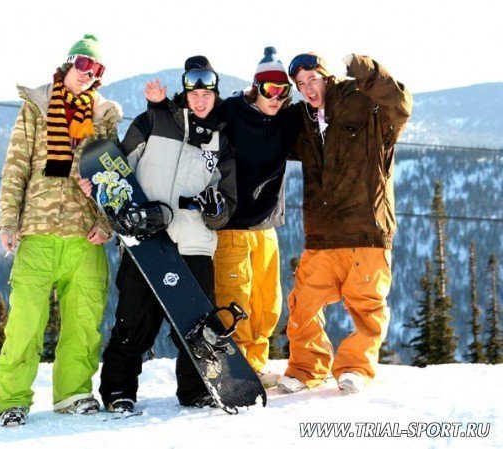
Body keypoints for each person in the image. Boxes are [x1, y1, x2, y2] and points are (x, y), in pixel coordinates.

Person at [81, 55, 237, 413]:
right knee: (134, 322)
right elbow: (118, 168)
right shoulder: (154, 120)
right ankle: (119, 391)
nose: (200, 100)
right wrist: (99, 188)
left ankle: (196, 390)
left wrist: (216, 211)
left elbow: (226, 205)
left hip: (195, 243)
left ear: (215, 95)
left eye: (207, 94)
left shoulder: (221, 140)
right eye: (194, 93)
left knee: (196, 326)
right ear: (185, 92)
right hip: (146, 241)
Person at [146, 47, 302, 388]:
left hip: (267, 226)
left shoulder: (288, 119)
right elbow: (193, 116)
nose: (275, 97)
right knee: (237, 301)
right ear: (256, 86)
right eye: (269, 89)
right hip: (233, 225)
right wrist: (159, 106)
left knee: (267, 304)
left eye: (282, 90)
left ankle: (255, 365)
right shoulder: (231, 111)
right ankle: (236, 367)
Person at [0, 34, 122, 426]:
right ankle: (11, 400)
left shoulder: (104, 116)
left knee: (84, 320)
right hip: (38, 229)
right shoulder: (36, 106)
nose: (89, 74)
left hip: (85, 234)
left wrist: (106, 223)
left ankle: (73, 393)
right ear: (69, 63)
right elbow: (16, 166)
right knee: (25, 323)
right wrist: (8, 220)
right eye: (84, 65)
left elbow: (114, 175)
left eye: (97, 70)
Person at [277, 53, 413, 394]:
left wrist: (365, 68)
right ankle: (305, 369)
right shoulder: (304, 121)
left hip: (365, 230)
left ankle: (355, 368)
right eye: (301, 84)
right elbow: (268, 129)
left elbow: (399, 104)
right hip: (321, 234)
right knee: (302, 304)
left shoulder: (365, 104)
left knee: (367, 307)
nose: (308, 88)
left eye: (313, 79)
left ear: (326, 77)